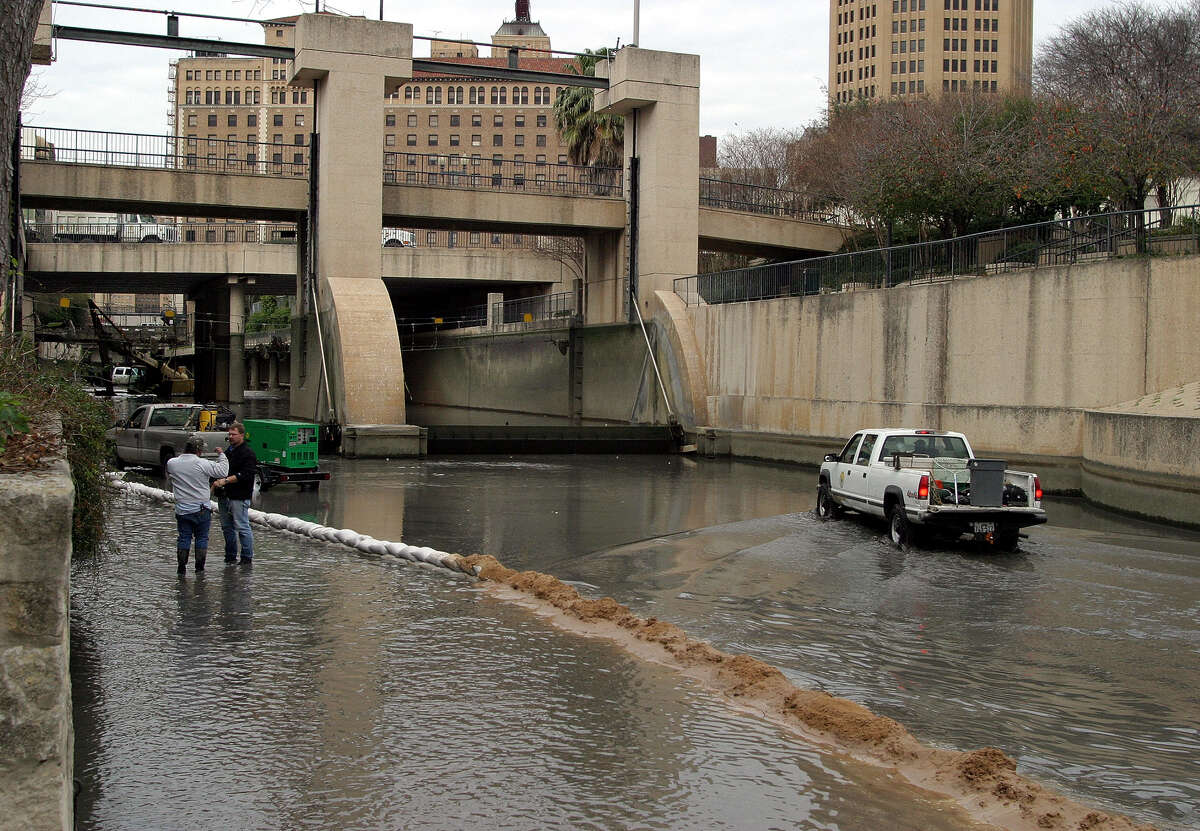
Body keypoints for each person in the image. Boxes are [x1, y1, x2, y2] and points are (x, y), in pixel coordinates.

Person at [165, 440, 228, 574]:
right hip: (201, 509)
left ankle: (181, 568)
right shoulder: (202, 463)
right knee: (202, 538)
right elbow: (223, 471)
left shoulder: (172, 463)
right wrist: (221, 455)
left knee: (184, 537)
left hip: (182, 509)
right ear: (199, 451)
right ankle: (199, 569)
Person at [214, 421, 257, 565]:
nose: (231, 437)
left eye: (233, 434)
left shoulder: (248, 453)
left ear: (242, 435)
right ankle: (230, 556)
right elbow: (221, 469)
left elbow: (247, 474)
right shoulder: (228, 452)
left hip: (239, 496)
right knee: (227, 527)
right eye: (229, 435)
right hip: (224, 495)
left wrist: (225, 481)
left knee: (242, 526)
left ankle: (246, 558)